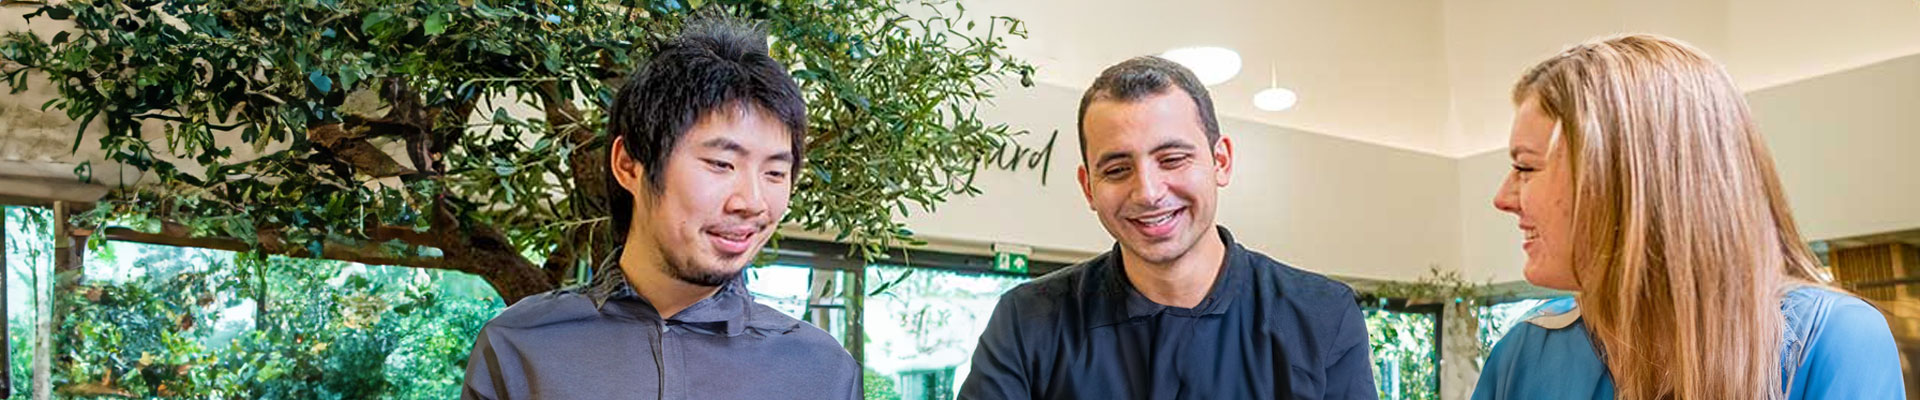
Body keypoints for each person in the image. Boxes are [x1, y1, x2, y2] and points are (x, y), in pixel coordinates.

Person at [1475, 34, 1904, 400]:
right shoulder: (1523, 353)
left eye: (1526, 167)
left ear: (1626, 176)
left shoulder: (1831, 340)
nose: (1502, 198)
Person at [461, 19, 859, 400]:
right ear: (629, 164)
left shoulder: (823, 370)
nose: (752, 202)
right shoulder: (518, 346)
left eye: (775, 171)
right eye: (721, 164)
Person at [957, 56, 1378, 399]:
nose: (1149, 192)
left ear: (1221, 161)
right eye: (1118, 169)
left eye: (1172, 159)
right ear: (1089, 187)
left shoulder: (1321, 315)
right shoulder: (1027, 321)